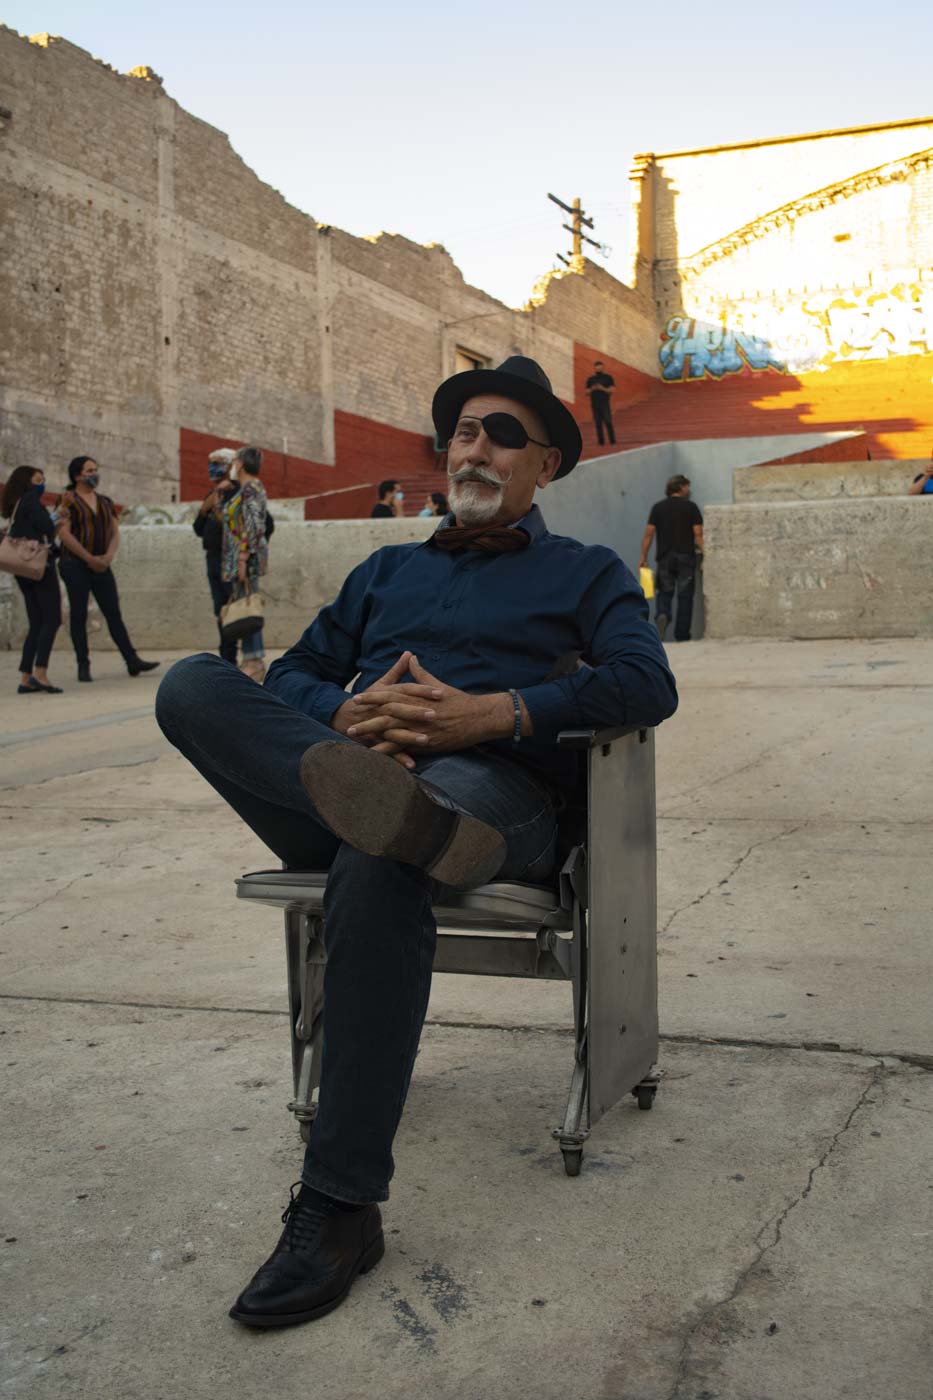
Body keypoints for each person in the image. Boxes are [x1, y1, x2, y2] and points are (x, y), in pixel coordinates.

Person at [155, 355, 677, 1332]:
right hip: (351, 774)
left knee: (385, 843)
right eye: (463, 431)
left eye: (502, 434)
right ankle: (386, 807)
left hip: (499, 793)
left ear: (546, 464)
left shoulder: (587, 572)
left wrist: (494, 711)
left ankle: (339, 1205)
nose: (473, 447)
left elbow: (647, 683)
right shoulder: (385, 571)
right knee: (191, 684)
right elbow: (296, 674)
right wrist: (344, 711)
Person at [57, 456, 159, 683]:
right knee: (79, 614)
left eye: (96, 469)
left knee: (113, 612)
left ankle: (132, 660)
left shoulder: (105, 501)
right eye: (89, 470)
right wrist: (88, 558)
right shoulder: (68, 500)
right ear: (77, 475)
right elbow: (64, 534)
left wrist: (108, 556)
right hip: (75, 564)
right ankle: (83, 665)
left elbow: (114, 531)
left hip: (102, 564)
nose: (94, 474)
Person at [1, 465, 63, 693]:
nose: (42, 485)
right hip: (38, 567)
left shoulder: (16, 503)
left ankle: (25, 677)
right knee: (52, 619)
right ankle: (40, 673)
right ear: (27, 482)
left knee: (36, 621)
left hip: (22, 569)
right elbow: (46, 526)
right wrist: (59, 515)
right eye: (38, 480)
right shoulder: (30, 501)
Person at [221, 446, 268, 683]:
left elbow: (254, 526)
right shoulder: (244, 488)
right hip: (240, 558)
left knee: (248, 607)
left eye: (234, 461)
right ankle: (250, 659)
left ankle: (255, 661)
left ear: (240, 464)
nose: (232, 465)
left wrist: (242, 557)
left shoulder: (251, 488)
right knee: (244, 605)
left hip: (245, 559)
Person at [639, 474, 704, 642]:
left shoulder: (658, 508)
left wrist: (643, 556)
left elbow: (649, 534)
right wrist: (706, 555)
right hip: (686, 558)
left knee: (664, 593)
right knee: (685, 596)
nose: (688, 490)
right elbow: (698, 534)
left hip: (664, 558)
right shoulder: (691, 507)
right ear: (681, 487)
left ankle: (663, 614)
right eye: (687, 486)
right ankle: (682, 635)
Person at [194, 449, 241, 665]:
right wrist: (206, 508)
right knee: (220, 609)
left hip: (230, 558)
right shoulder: (212, 495)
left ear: (230, 465)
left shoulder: (238, 492)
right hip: (212, 558)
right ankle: (226, 657)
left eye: (218, 463)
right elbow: (198, 529)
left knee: (233, 609)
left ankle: (233, 657)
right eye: (210, 463)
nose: (212, 468)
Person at [586, 359, 616, 446]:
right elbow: (586, 392)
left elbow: (612, 390)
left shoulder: (608, 378)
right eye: (597, 367)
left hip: (605, 403)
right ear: (595, 368)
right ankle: (601, 442)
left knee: (608, 421)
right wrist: (593, 388)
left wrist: (602, 388)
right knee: (598, 423)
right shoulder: (591, 379)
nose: (598, 369)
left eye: (600, 367)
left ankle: (612, 440)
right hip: (594, 404)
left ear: (603, 367)